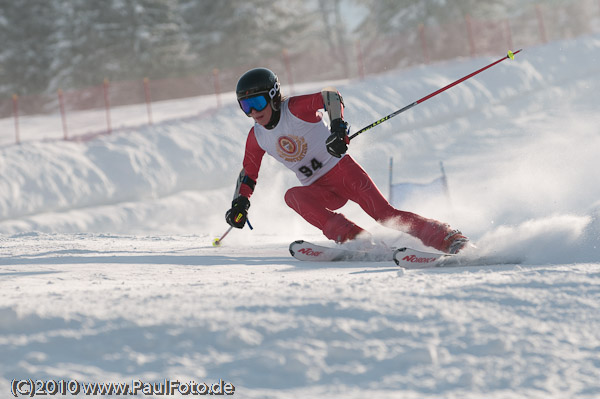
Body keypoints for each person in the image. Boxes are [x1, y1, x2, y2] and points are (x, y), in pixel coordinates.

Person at [225, 67, 468, 254]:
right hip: (318, 188)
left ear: (273, 96)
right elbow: (249, 173)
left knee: (385, 215)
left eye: (257, 103)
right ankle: (356, 239)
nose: (254, 112)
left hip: (343, 172)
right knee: (292, 196)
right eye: (246, 106)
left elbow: (330, 96)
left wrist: (338, 129)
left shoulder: (295, 108)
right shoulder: (256, 137)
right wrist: (240, 204)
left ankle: (448, 237)